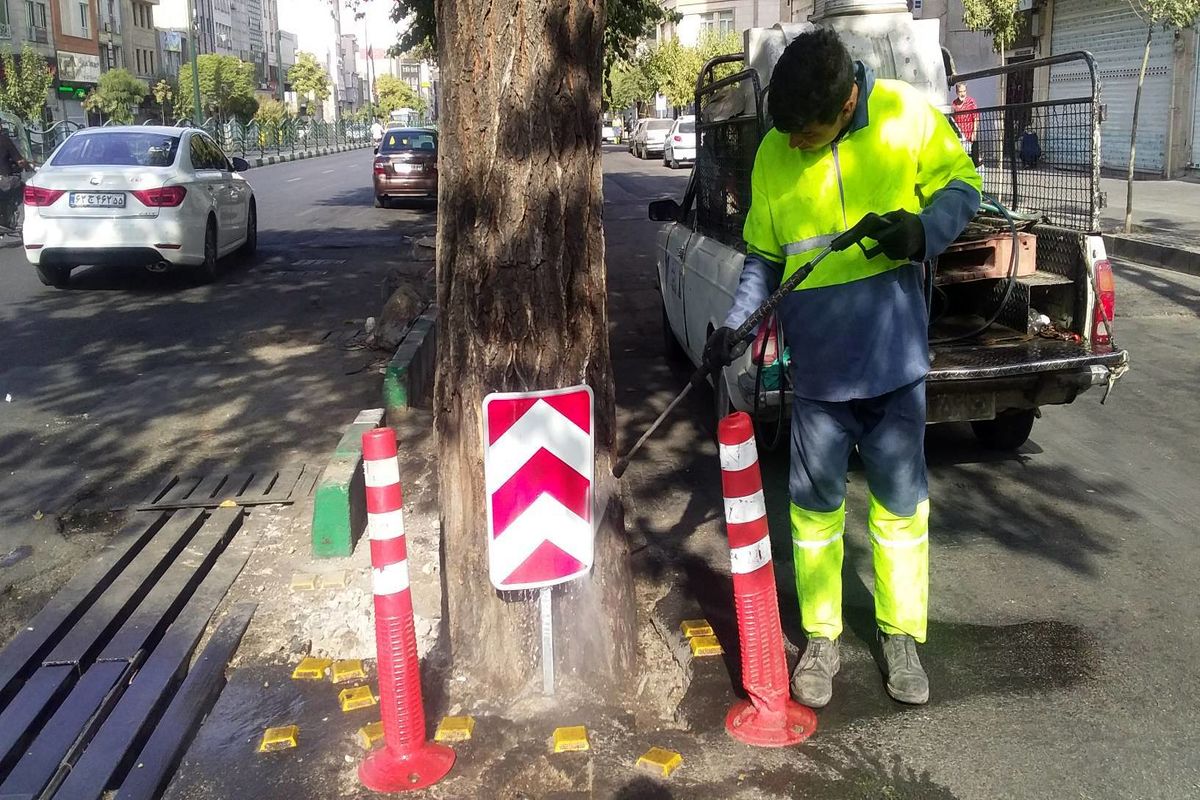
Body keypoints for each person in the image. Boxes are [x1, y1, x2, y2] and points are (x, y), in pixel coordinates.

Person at [703, 29, 981, 708]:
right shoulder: (775, 149)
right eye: (787, 133)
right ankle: (822, 636)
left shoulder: (905, 114)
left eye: (806, 133)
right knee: (815, 512)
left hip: (894, 365)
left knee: (900, 511)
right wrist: (738, 328)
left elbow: (963, 186)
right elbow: (765, 259)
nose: (794, 144)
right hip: (820, 376)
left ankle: (898, 633)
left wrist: (923, 231)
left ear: (846, 99)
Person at [0, 126, 28, 235]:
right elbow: (20, 161)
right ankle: (21, 222)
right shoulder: (4, 140)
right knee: (25, 191)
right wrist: (29, 167)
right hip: (4, 179)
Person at [951, 82, 980, 166]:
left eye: (964, 91)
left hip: (968, 135)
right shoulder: (954, 103)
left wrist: (974, 132)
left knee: (969, 157)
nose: (962, 94)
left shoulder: (971, 102)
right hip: (959, 135)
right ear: (957, 92)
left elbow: (976, 118)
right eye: (960, 92)